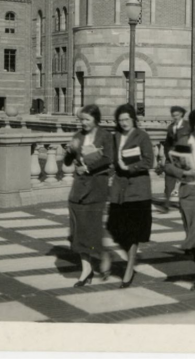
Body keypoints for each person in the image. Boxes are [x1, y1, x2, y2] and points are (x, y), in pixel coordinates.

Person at [164, 108, 195, 294]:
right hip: (187, 194)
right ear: (192, 127)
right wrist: (183, 172)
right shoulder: (184, 142)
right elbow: (168, 165)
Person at [64, 104, 114, 287]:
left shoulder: (106, 136)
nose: (83, 123)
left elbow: (109, 158)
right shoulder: (78, 136)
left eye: (86, 119)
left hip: (96, 187)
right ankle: (86, 270)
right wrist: (69, 151)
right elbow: (68, 161)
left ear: (96, 119)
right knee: (78, 230)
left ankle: (103, 254)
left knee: (92, 229)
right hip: (78, 188)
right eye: (81, 120)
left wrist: (89, 166)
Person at [107, 103, 155, 288]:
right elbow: (112, 161)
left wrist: (131, 167)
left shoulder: (142, 136)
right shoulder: (116, 136)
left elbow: (149, 161)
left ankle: (129, 268)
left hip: (138, 190)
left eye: (127, 119)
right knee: (115, 229)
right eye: (120, 120)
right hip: (119, 190)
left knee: (133, 232)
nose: (124, 123)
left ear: (133, 119)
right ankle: (130, 260)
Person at [162, 105, 189, 212]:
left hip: (184, 157)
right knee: (168, 180)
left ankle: (183, 203)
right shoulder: (170, 127)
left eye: (177, 115)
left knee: (185, 181)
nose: (175, 117)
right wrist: (167, 153)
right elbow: (167, 143)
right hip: (172, 158)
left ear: (181, 114)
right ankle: (166, 204)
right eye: (173, 115)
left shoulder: (188, 126)